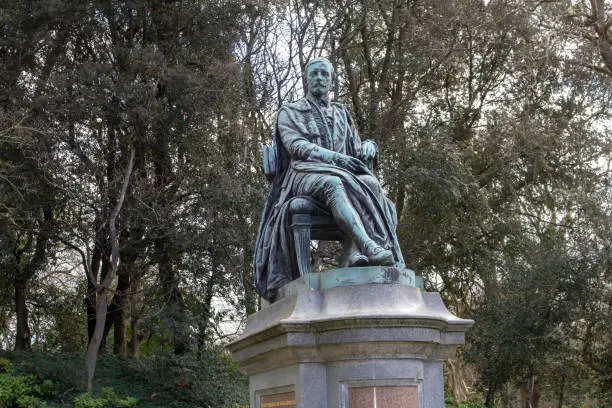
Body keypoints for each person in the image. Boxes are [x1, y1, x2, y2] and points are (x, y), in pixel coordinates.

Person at [254, 57, 405, 301]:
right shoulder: (289, 113)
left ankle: (353, 256)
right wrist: (337, 159)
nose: (319, 78)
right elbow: (297, 146)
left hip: (342, 175)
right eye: (314, 74)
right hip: (303, 175)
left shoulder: (341, 113)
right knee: (333, 183)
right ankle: (368, 245)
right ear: (306, 78)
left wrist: (369, 145)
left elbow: (354, 149)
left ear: (331, 80)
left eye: (324, 74)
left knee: (371, 184)